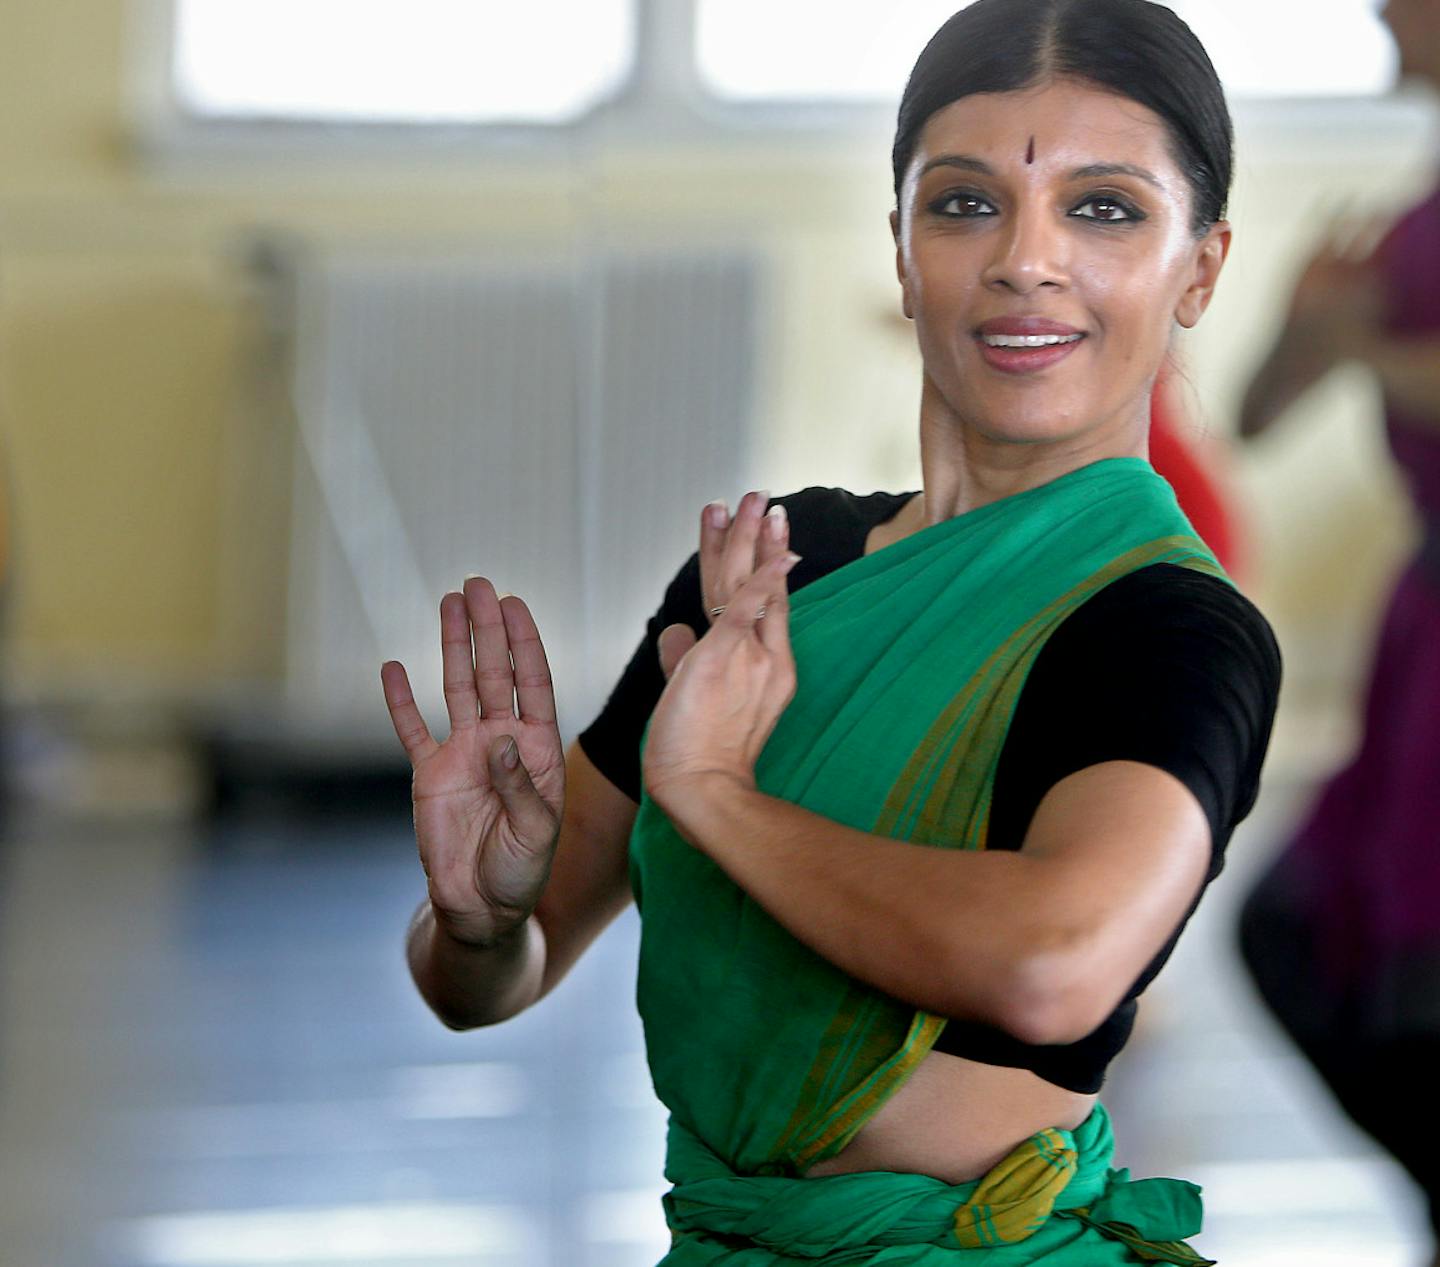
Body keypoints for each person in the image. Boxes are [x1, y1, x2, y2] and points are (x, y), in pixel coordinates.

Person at [380, 1, 1280, 1261]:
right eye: (965, 204)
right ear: (903, 250)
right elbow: (493, 985)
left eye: (1104, 208)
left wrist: (713, 793)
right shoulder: (773, 570)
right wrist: (477, 922)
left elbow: (1053, 963)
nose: (1028, 259)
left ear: (1200, 266)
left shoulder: (1170, 626)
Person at [1236, 1, 1440, 1260]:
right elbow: (1259, 412)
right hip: (1422, 636)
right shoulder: (1414, 217)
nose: (1375, 7)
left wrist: (1360, 343)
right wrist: (1311, 330)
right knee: (1305, 938)